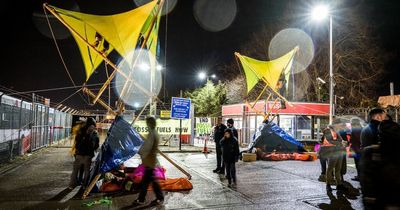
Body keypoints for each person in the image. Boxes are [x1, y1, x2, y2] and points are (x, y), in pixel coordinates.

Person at [133, 116, 164, 205]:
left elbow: (147, 147)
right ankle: (143, 199)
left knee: (150, 182)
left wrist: (139, 151)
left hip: (149, 160)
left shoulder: (151, 134)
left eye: (147, 123)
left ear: (149, 123)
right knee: (147, 181)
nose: (146, 125)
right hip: (151, 160)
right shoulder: (154, 133)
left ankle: (156, 198)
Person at [69, 117, 99, 189]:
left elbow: (76, 142)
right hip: (88, 155)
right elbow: (96, 145)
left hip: (79, 154)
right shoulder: (95, 133)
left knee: (75, 171)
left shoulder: (81, 131)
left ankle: (72, 185)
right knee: (87, 171)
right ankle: (84, 185)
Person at [322, 126, 347, 192]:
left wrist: (342, 142)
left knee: (338, 169)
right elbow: (331, 141)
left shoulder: (336, 131)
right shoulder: (327, 131)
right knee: (330, 169)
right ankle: (328, 185)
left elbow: (341, 140)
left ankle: (339, 184)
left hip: (339, 151)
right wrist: (340, 142)